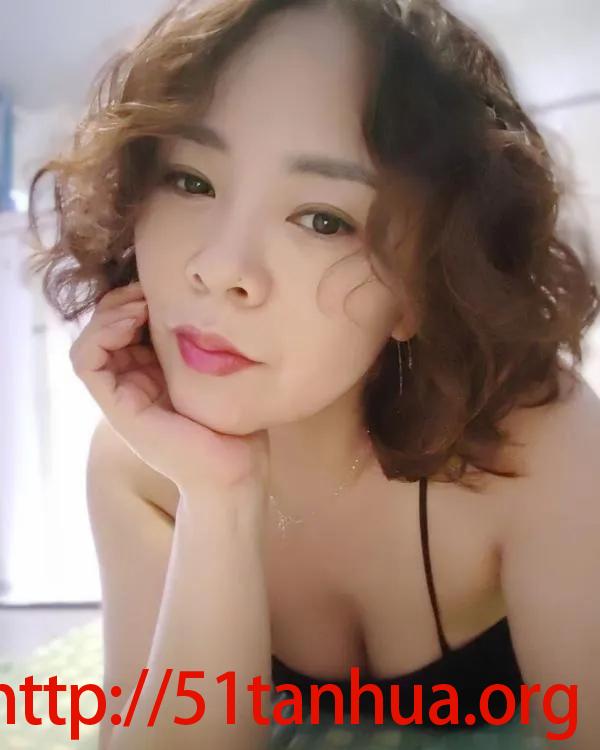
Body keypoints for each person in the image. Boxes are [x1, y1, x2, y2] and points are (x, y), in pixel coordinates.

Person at [27, 0, 600, 747]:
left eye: (323, 220)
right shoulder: (137, 469)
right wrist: (218, 500)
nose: (219, 267)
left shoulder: (539, 440)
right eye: (191, 181)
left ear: (421, 287)